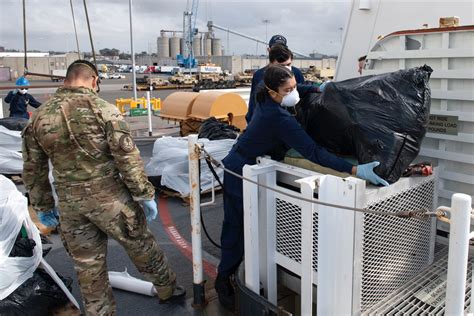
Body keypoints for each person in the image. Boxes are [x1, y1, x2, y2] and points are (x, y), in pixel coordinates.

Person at [214, 64, 389, 310]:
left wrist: (319, 87)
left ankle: (238, 271)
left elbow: (301, 89)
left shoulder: (264, 97)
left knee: (248, 225)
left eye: (294, 87)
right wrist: (354, 170)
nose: (294, 93)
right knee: (236, 227)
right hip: (238, 170)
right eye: (288, 89)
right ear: (274, 91)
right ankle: (224, 280)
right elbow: (313, 152)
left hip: (243, 160)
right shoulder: (279, 118)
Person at [22, 60, 185, 315]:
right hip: (111, 199)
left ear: (66, 80)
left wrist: (43, 206)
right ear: (94, 80)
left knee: (88, 266)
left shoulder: (40, 117)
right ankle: (168, 290)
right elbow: (127, 159)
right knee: (141, 246)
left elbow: (34, 168)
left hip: (70, 204)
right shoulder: (103, 110)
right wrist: (144, 194)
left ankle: (100, 312)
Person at [246, 38, 316, 123]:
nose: (285, 68)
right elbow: (254, 103)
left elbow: (300, 90)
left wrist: (317, 88)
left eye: (288, 64)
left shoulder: (296, 73)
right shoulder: (260, 76)